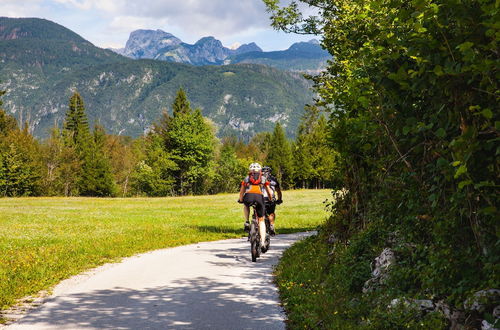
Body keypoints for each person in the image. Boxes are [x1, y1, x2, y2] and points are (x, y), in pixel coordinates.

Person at [238, 163, 274, 247]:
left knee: (246, 205)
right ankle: (262, 242)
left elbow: (241, 191)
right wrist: (270, 198)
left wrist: (241, 200)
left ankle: (247, 221)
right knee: (261, 220)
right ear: (260, 170)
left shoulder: (247, 178)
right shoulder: (263, 178)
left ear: (250, 170)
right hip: (259, 198)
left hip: (248, 197)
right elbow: (268, 191)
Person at [262, 166, 282, 236]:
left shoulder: (259, 179)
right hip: (270, 199)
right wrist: (279, 199)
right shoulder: (274, 179)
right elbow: (278, 191)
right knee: (271, 213)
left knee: (260, 214)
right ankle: (271, 225)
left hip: (261, 199)